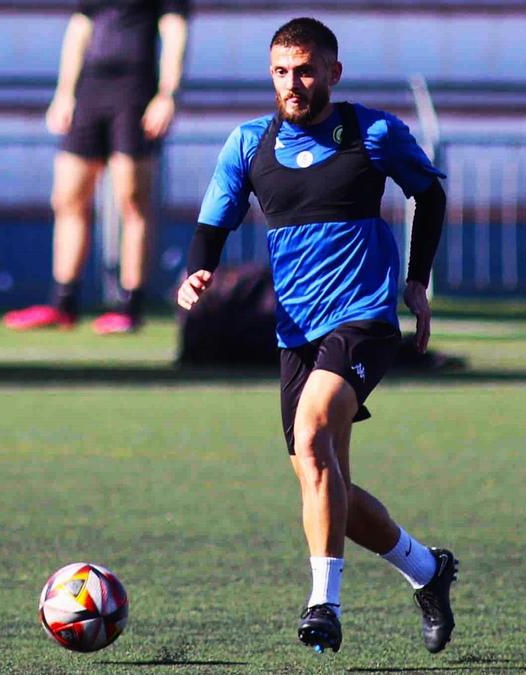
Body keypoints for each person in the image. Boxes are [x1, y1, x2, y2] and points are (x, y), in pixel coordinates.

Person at [178, 18, 456, 654]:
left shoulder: (373, 132)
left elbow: (429, 197)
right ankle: (428, 570)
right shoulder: (250, 143)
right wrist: (199, 271)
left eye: (304, 69)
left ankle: (323, 606)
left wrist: (417, 283)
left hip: (363, 318)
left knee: (311, 437)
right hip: (296, 332)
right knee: (320, 475)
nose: (292, 83)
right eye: (280, 71)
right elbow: (211, 222)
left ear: (332, 71)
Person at [3, 0, 189, 335]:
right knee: (68, 197)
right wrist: (64, 93)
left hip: (135, 90)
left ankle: (130, 305)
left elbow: (174, 29)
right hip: (90, 89)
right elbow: (79, 28)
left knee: (132, 200)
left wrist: (167, 94)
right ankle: (63, 303)